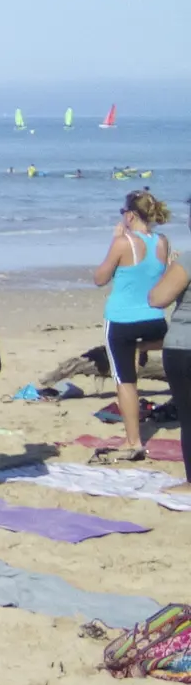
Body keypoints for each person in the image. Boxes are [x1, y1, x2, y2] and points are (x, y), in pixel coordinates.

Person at [93, 190, 173, 458]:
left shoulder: (122, 242)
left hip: (121, 321)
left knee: (125, 380)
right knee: (142, 352)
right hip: (154, 321)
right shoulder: (162, 242)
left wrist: (115, 239)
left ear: (130, 215)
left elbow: (100, 278)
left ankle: (133, 441)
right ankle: (142, 349)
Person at [147, 202, 191, 493]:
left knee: (188, 415)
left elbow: (157, 298)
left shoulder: (187, 260)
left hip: (185, 346)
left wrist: (171, 270)